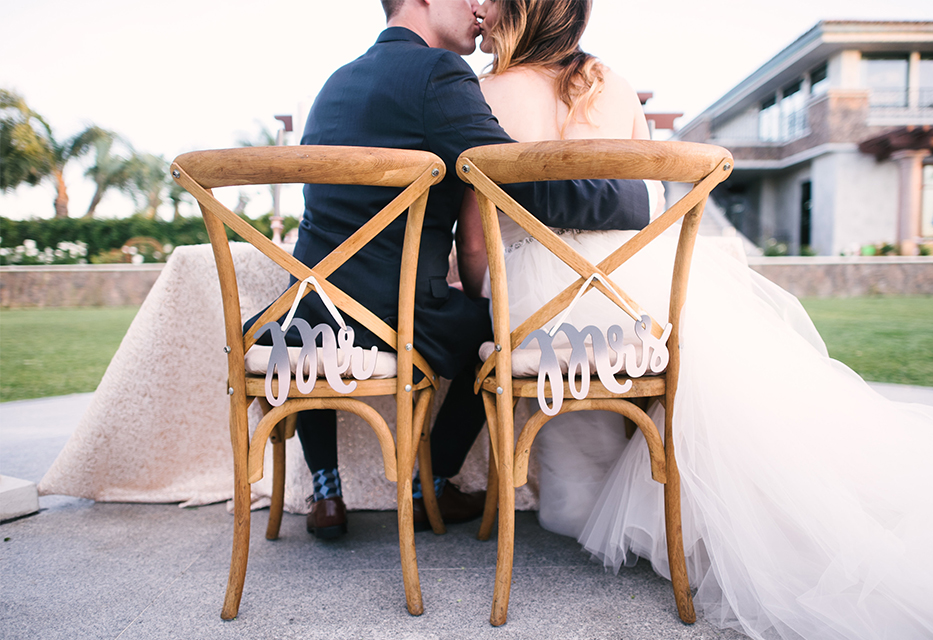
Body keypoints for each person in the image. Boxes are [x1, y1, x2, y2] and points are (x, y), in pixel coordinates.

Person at [461, 1, 933, 638]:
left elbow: (476, 239)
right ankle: (703, 508)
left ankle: (584, 497)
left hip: (540, 299)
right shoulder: (611, 85)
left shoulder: (485, 94)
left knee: (536, 348)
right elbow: (647, 204)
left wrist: (477, 287)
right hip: (637, 293)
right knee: (713, 359)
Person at [250, 0, 652, 540]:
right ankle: (428, 486)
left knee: (315, 304)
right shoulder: (440, 75)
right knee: (497, 332)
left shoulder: (336, 82)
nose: (478, 7)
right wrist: (638, 200)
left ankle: (326, 489)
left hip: (304, 309)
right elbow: (516, 183)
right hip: (395, 313)